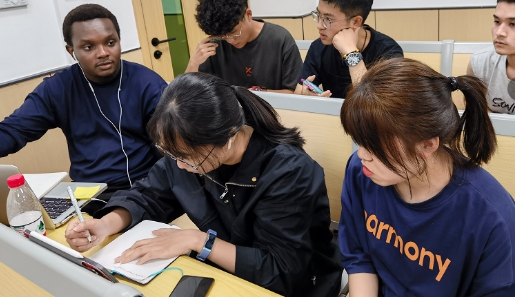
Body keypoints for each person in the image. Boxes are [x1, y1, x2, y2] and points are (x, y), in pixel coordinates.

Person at [65, 72, 343, 297]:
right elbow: (149, 194)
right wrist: (107, 224)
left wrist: (198, 241)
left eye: (186, 158)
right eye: (171, 155)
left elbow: (281, 270)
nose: (179, 165)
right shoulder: (189, 151)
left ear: (228, 137)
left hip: (298, 284)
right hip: (228, 273)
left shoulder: (289, 172)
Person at [339, 58, 515, 296]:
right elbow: (359, 257)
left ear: (428, 145)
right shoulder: (361, 172)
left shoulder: (489, 215)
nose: (362, 155)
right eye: (360, 141)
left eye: (375, 146)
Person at [0, 4, 167, 213]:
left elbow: (170, 145)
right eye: (89, 47)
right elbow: (13, 130)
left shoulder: (147, 83)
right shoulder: (58, 88)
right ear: (71, 51)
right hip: (85, 193)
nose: (103, 53)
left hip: (142, 188)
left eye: (110, 42)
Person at [295, 0, 403, 98]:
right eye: (318, 15)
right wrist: (306, 95)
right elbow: (299, 90)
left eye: (328, 19)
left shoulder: (388, 52)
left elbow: (372, 103)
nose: (319, 26)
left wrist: (351, 53)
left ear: (356, 22)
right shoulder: (318, 47)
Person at [185, 0, 303, 93]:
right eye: (223, 36)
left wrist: (255, 94)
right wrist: (193, 64)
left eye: (234, 32)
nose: (230, 41)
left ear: (248, 15)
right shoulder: (214, 45)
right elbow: (187, 94)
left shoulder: (280, 39)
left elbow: (293, 92)